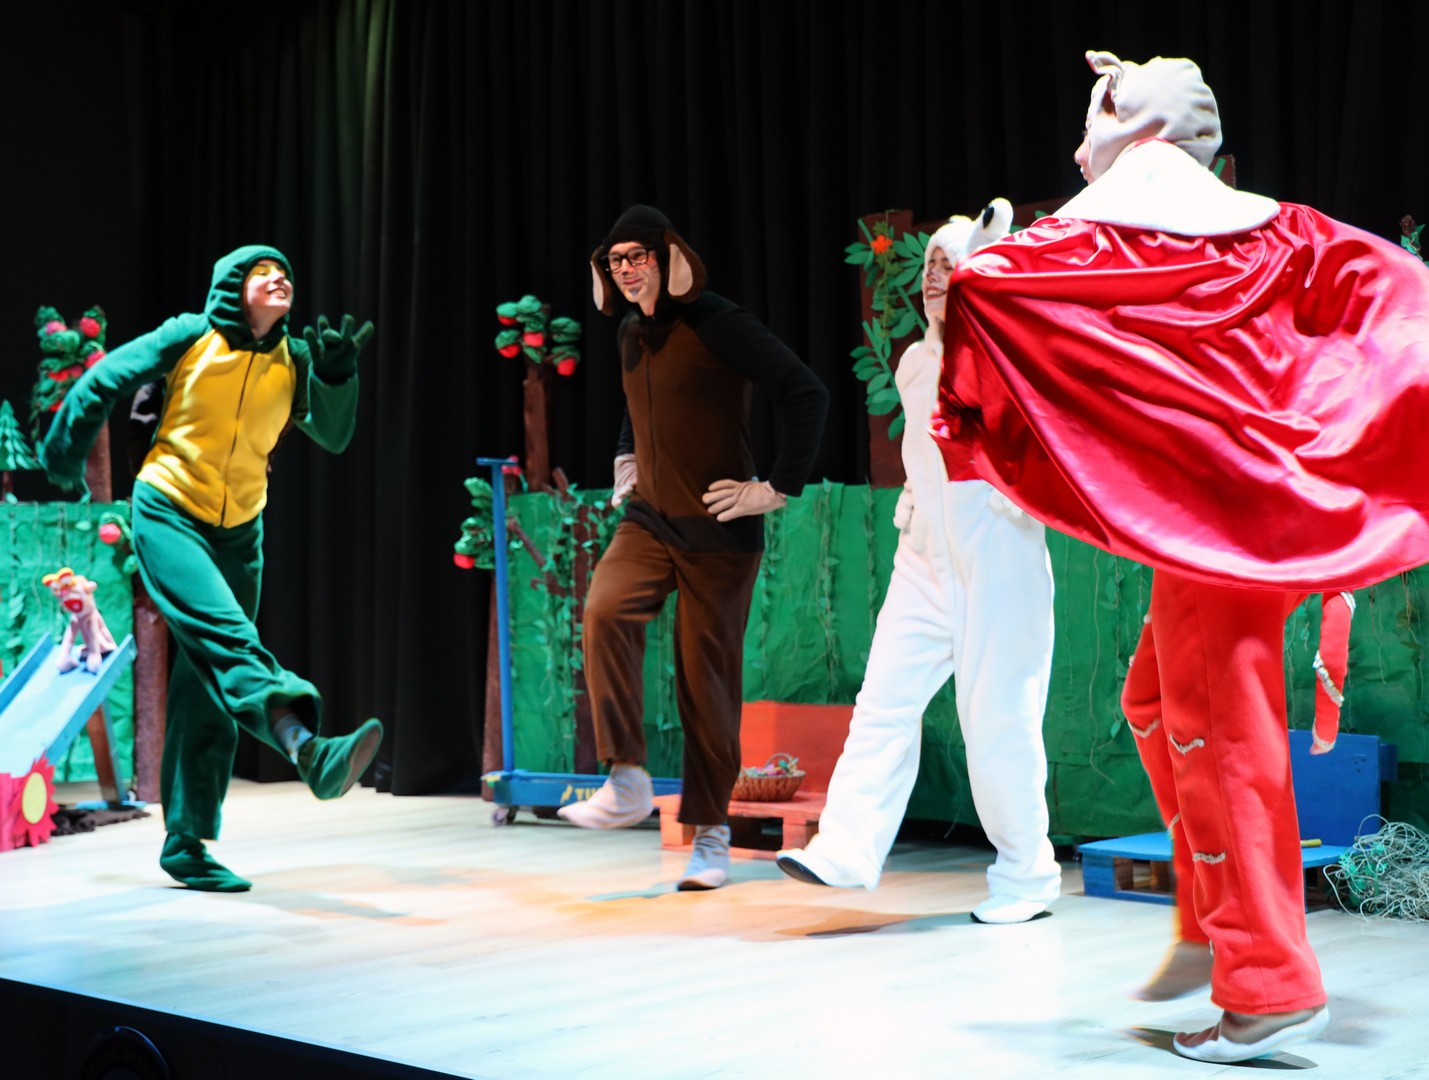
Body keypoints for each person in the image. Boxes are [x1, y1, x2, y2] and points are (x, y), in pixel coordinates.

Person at [931, 51, 1429, 1062]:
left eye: (1093, 124)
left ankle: (1265, 983)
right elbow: (1397, 288)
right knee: (1157, 699)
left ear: (1128, 126)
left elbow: (1006, 281)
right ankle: (1212, 921)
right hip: (1256, 507)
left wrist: (971, 270)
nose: (1081, 150)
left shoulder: (1134, 208)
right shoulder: (1271, 227)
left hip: (1216, 523)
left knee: (1216, 725)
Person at [40, 245, 383, 893]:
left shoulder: (293, 357)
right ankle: (307, 747)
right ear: (233, 285)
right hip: (168, 509)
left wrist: (337, 377)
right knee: (231, 642)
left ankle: (187, 843)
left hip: (241, 530)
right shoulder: (191, 334)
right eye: (262, 271)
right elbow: (109, 375)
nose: (278, 278)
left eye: (284, 272)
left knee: (209, 678)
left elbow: (334, 436)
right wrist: (64, 449)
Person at [775, 204, 1061, 925]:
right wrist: (912, 502)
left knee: (996, 722)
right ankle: (846, 847)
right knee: (883, 700)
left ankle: (1027, 877)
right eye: (929, 264)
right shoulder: (913, 363)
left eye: (948, 263)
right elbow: (920, 452)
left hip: (998, 557)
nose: (934, 275)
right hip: (925, 556)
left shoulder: (1012, 356)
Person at [557, 206, 829, 891]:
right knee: (604, 610)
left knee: (704, 687)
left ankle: (709, 835)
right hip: (649, 520)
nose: (626, 270)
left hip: (719, 531)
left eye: (637, 256)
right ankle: (626, 777)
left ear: (667, 256)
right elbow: (639, 403)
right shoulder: (629, 332)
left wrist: (775, 487)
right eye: (615, 260)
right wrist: (626, 457)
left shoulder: (717, 321)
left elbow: (805, 392)